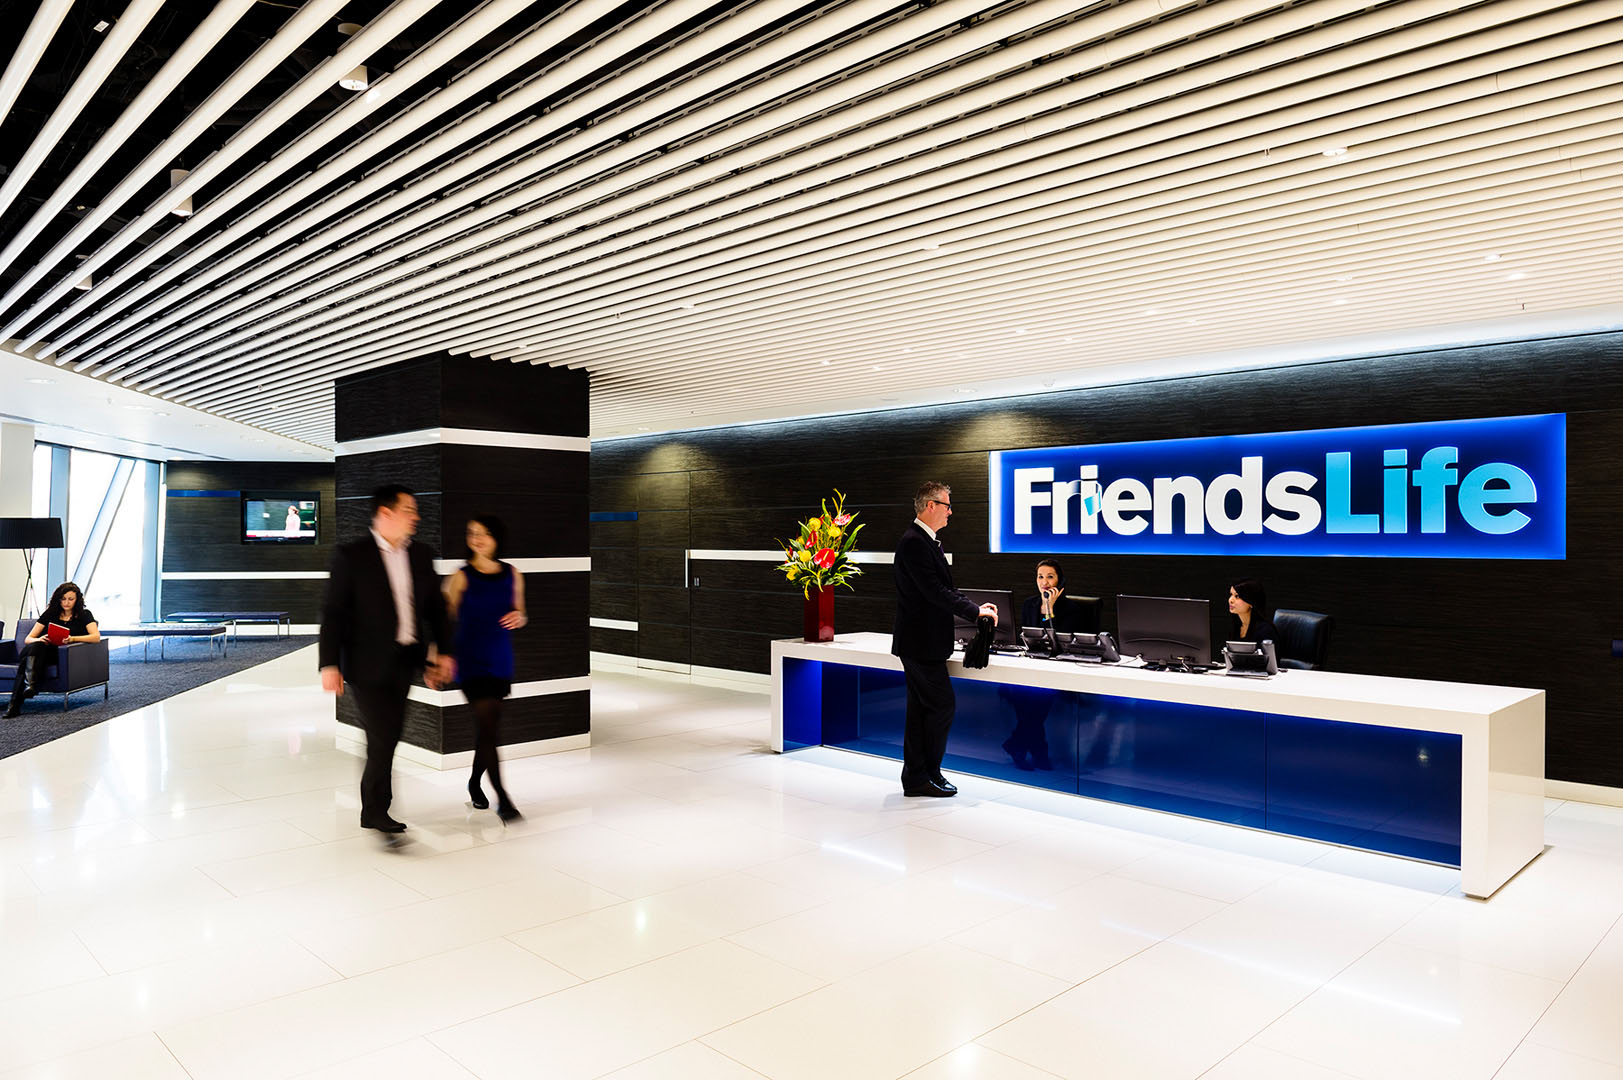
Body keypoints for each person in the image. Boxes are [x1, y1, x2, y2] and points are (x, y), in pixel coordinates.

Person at [319, 485, 454, 834]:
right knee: (383, 735)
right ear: (386, 513)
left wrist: (443, 651)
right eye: (410, 510)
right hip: (366, 663)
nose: (416, 517)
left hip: (405, 659)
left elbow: (436, 610)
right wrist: (329, 663)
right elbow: (334, 612)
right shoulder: (352, 555)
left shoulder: (421, 554)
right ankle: (376, 810)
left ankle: (375, 807)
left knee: (387, 735)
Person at [891, 481, 998, 797]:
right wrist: (974, 612)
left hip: (923, 643)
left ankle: (917, 777)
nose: (951, 511)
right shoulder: (914, 543)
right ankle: (926, 773)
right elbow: (933, 591)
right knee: (941, 706)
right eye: (947, 505)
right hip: (919, 643)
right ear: (930, 506)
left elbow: (944, 589)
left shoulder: (928, 543)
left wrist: (976, 607)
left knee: (921, 711)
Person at [444, 515, 526, 822]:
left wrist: (520, 618)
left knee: (487, 729)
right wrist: (438, 656)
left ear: (497, 538)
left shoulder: (513, 574)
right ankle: (503, 798)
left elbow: (521, 612)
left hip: (500, 659)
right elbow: (443, 621)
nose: (477, 539)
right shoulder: (460, 576)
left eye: (484, 534)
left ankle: (475, 781)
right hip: (470, 661)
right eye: (472, 533)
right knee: (488, 723)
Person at [4, 582, 99, 718]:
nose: (66, 603)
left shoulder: (84, 615)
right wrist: (40, 639)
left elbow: (95, 637)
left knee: (26, 661)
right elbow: (28, 639)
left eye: (70, 599)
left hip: (61, 655)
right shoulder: (50, 614)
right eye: (63, 599)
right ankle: (29, 686)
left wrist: (72, 639)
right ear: (58, 599)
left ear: (77, 600)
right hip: (39, 651)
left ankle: (18, 701)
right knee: (37, 646)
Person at [1018, 558, 1091, 633]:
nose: (1044, 582)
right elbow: (1021, 636)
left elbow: (1057, 641)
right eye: (1040, 577)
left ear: (1059, 581)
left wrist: (1048, 609)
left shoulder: (1071, 609)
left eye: (1050, 577)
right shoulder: (1029, 604)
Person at [1227, 578, 1278, 644]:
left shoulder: (1265, 631)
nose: (1230, 600)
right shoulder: (1236, 626)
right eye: (1231, 594)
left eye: (1237, 596)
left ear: (1251, 602)